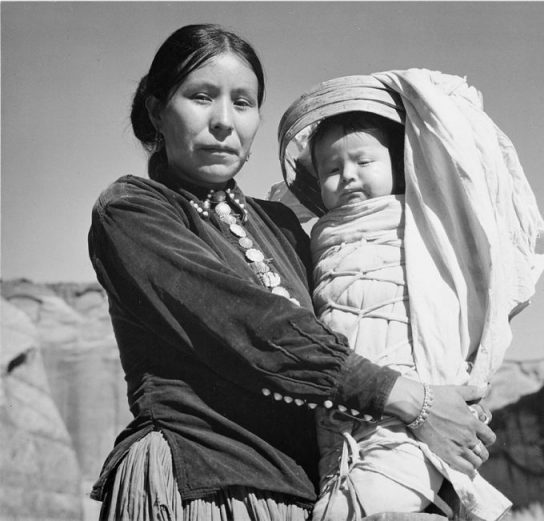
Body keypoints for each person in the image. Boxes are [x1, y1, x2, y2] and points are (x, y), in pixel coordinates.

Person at [88, 25, 496, 521]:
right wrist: (415, 401)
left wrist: (450, 396)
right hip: (203, 485)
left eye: (243, 102)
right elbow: (252, 326)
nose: (223, 121)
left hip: (310, 493)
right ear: (157, 110)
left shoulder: (283, 225)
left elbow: (357, 325)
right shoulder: (134, 211)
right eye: (200, 97)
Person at [276, 72, 544, 520]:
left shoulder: (422, 222)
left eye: (363, 161)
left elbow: (456, 121)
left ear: (398, 163)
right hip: (349, 410)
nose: (347, 175)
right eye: (331, 169)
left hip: (412, 405)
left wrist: (401, 87)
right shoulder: (313, 239)